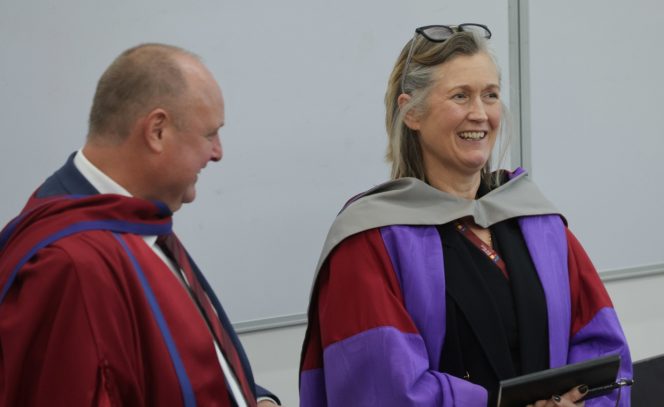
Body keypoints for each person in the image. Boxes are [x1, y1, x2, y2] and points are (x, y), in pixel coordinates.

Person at [299, 25, 632, 406]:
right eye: (460, 96)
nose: (480, 114)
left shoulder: (536, 221)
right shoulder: (370, 241)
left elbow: (604, 352)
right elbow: (383, 389)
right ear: (413, 113)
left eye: (490, 96)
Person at [0, 43, 280, 407]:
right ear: (157, 131)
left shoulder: (134, 222)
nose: (217, 152)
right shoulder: (70, 264)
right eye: (210, 134)